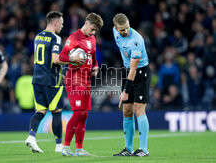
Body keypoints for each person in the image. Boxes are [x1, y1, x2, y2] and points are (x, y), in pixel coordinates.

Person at [59, 12, 103, 156]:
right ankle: (65, 147)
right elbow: (62, 56)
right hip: (74, 79)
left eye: (95, 30)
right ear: (86, 23)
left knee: (84, 115)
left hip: (86, 79)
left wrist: (95, 67)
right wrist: (72, 59)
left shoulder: (92, 38)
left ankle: (79, 149)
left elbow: (94, 58)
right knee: (77, 113)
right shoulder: (74, 38)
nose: (93, 32)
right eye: (93, 28)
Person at [25, 11, 67, 153]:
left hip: (37, 79)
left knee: (40, 111)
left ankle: (31, 136)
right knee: (57, 112)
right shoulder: (56, 38)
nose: (62, 25)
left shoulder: (38, 36)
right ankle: (59, 146)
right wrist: (71, 60)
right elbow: (55, 60)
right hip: (51, 80)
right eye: (61, 22)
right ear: (55, 23)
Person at [112, 13, 151, 157]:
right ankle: (128, 149)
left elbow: (134, 69)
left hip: (140, 73)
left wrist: (125, 91)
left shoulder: (136, 40)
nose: (125, 31)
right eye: (122, 29)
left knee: (139, 108)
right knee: (126, 110)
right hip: (127, 70)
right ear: (116, 28)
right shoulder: (115, 32)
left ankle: (143, 149)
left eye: (127, 28)